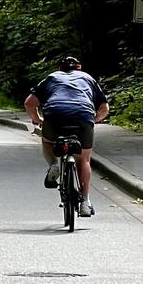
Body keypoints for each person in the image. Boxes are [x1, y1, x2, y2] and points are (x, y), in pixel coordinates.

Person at [24, 56, 109, 217]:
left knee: (47, 141)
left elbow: (29, 103)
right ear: (79, 68)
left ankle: (53, 165)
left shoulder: (52, 78)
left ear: (59, 68)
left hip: (55, 115)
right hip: (83, 117)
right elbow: (104, 107)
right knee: (83, 160)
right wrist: (94, 120)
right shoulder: (87, 78)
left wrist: (37, 119)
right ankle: (85, 201)